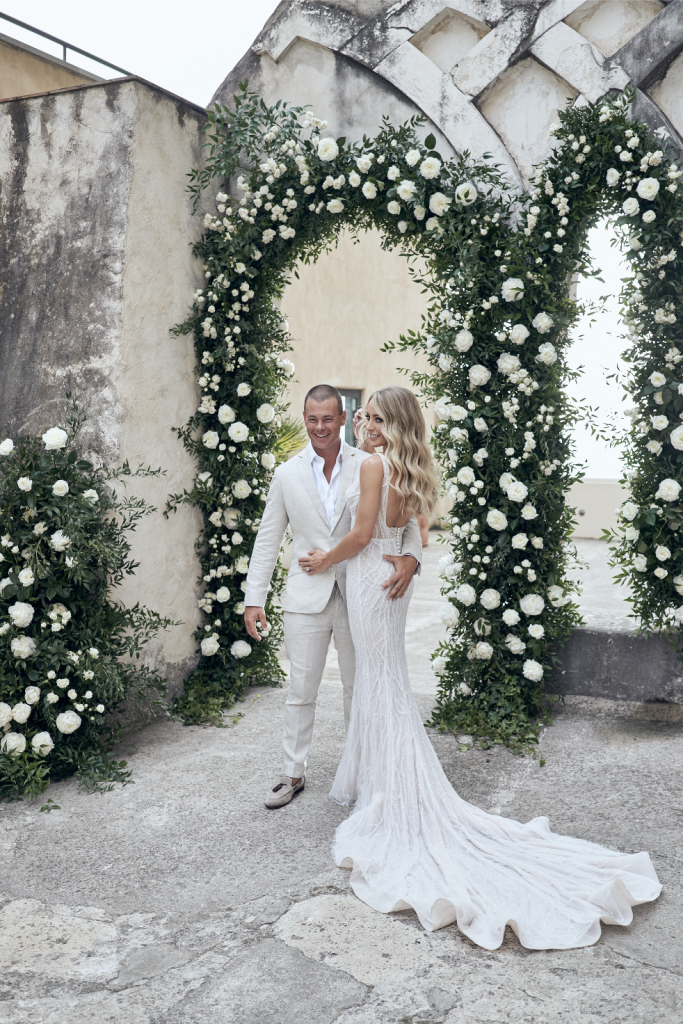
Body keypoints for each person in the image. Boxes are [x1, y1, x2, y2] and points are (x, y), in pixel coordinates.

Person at [298, 385, 661, 950]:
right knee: (383, 682)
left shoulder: (372, 464)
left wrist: (324, 559)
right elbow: (409, 529)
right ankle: (378, 780)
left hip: (373, 584)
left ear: (388, 422)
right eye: (361, 414)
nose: (362, 421)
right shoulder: (407, 466)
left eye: (370, 414)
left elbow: (364, 535)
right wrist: (410, 556)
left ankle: (389, 794)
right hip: (389, 588)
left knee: (382, 684)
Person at [243, 384, 422, 809]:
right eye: (312, 418)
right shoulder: (287, 473)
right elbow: (268, 539)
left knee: (357, 686)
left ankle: (360, 774)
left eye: (329, 418)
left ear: (344, 419)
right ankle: (292, 773)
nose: (320, 426)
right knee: (300, 689)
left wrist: (412, 558)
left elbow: (404, 522)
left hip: (364, 593)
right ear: (304, 420)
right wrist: (254, 597)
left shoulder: (373, 459)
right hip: (306, 596)